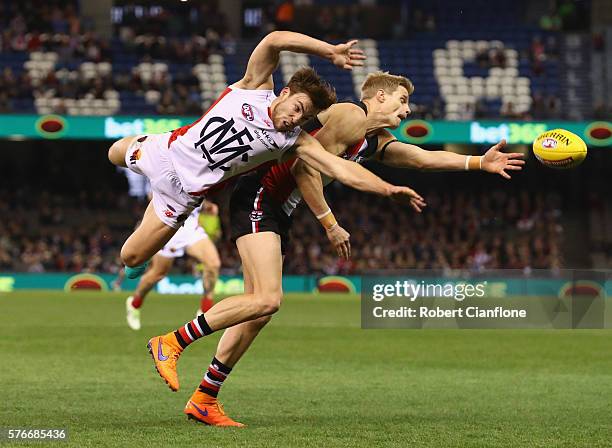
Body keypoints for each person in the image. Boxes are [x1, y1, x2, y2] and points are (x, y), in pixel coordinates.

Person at [159, 71, 524, 426]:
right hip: (261, 197)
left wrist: (478, 162)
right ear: (378, 96)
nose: (406, 110)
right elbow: (304, 167)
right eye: (402, 100)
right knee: (268, 299)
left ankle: (205, 398)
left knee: (258, 311)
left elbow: (418, 158)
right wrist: (330, 223)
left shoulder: (371, 139)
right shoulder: (351, 115)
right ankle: (172, 342)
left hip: (276, 209)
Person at [107, 30, 420, 280]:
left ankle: (147, 224)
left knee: (131, 258)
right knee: (113, 153)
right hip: (163, 152)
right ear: (284, 93)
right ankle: (142, 142)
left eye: (303, 117)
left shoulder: (294, 142)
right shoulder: (253, 87)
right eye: (297, 108)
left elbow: (341, 169)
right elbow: (274, 40)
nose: (295, 119)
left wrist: (387, 189)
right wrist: (328, 51)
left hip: (181, 195)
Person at [125, 201, 222, 330]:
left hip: (191, 229)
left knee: (213, 264)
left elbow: (198, 195)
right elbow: (154, 196)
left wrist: (207, 206)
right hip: (169, 228)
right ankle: (134, 304)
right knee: (157, 274)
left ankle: (204, 311)